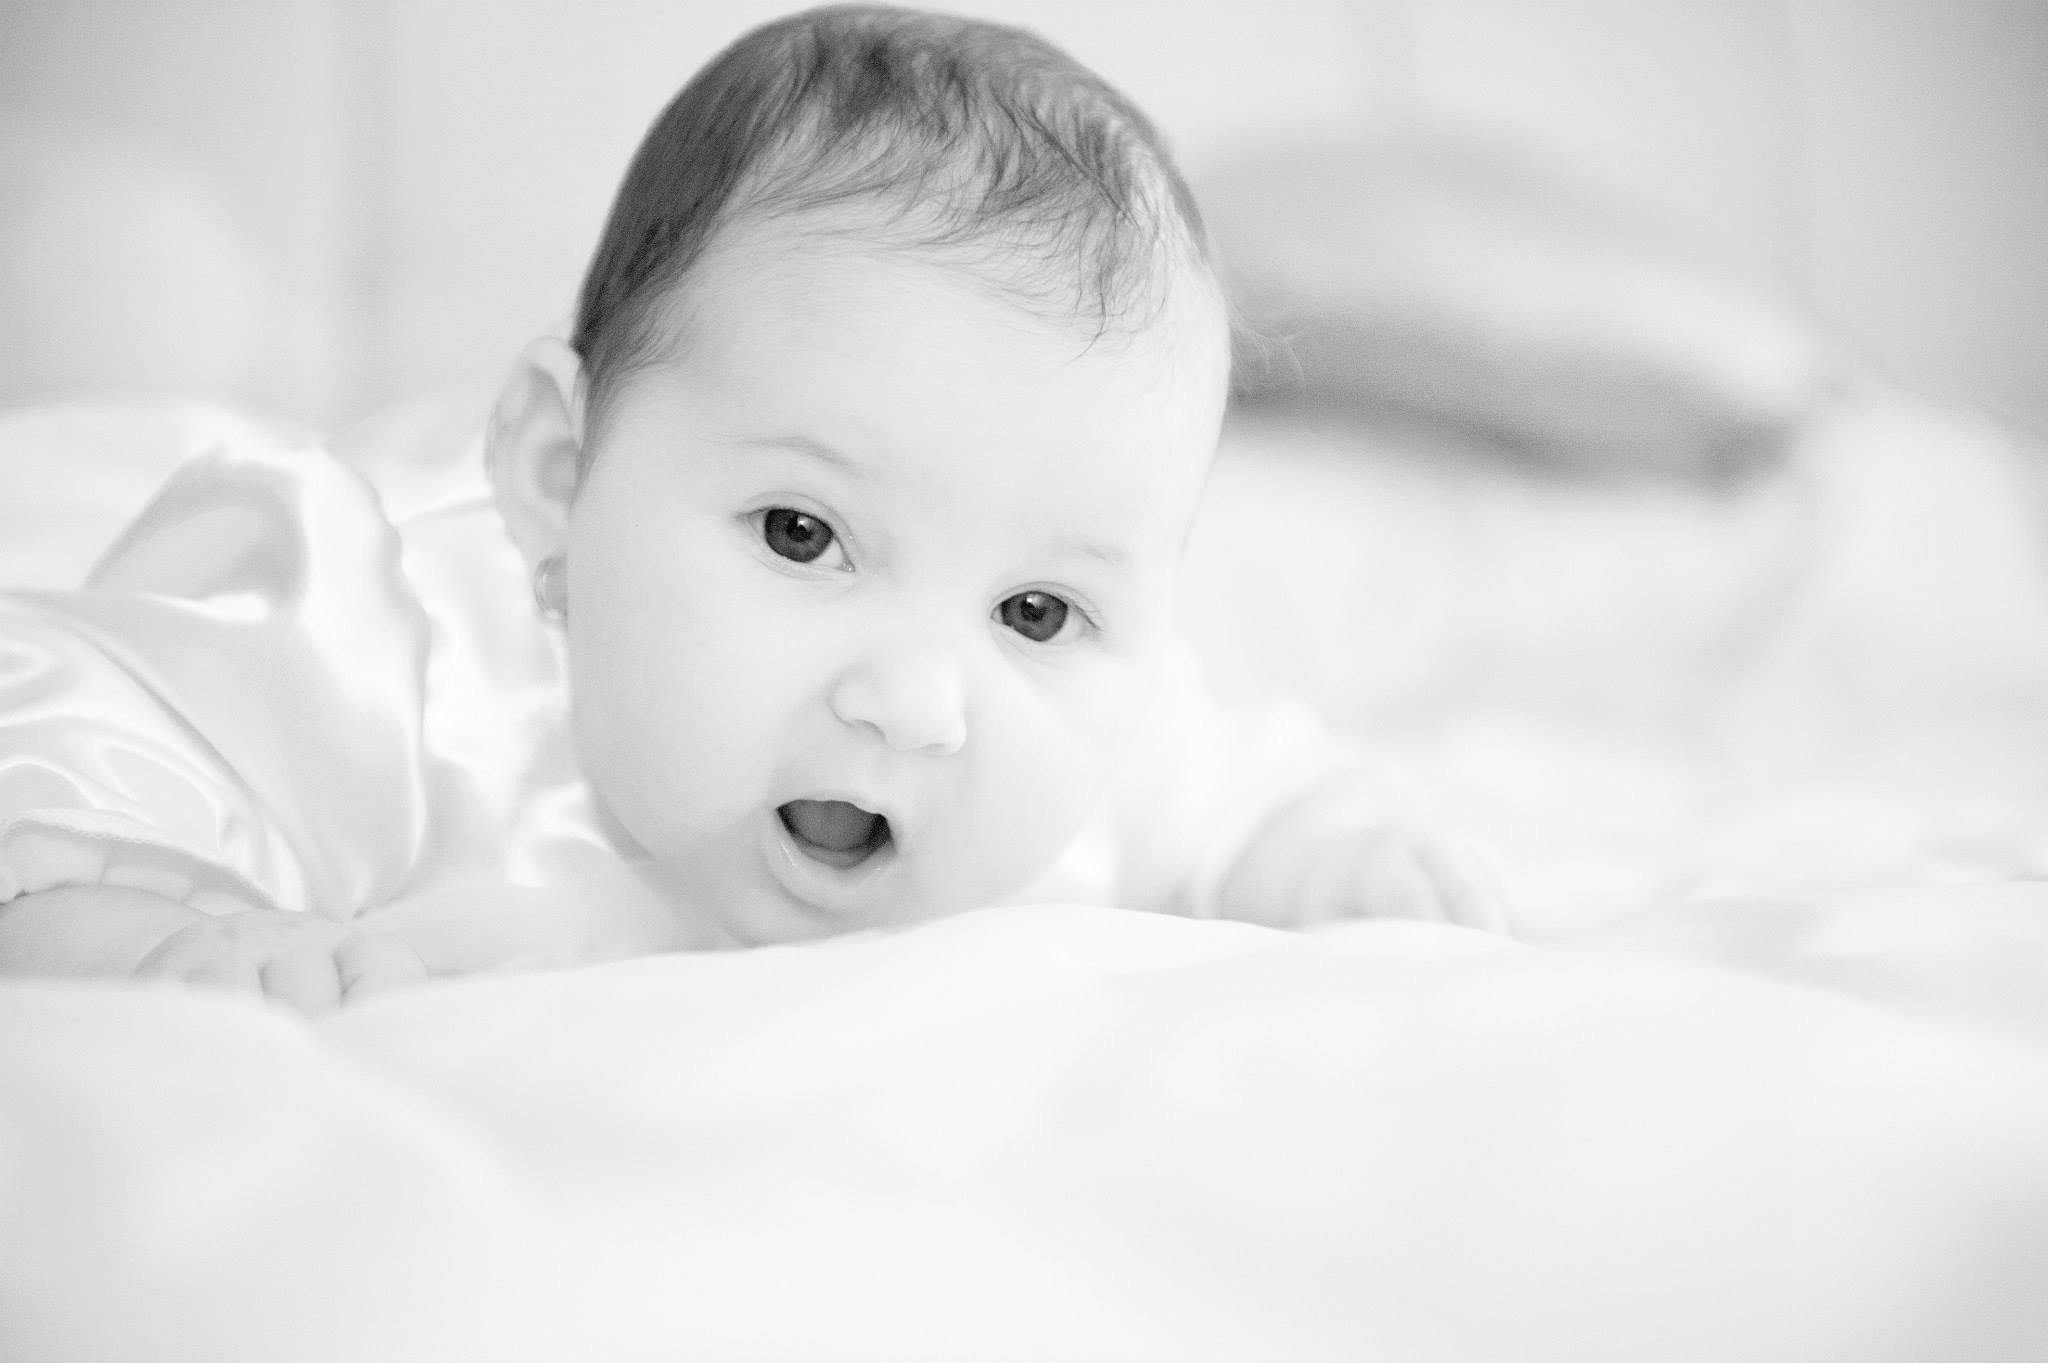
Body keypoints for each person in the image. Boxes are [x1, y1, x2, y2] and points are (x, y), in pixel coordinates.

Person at [0, 4, 1505, 1013]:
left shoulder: (1079, 744)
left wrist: (1334, 857)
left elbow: (1245, 792)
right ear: (558, 479)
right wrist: (163, 938)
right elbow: (73, 790)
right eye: (803, 534)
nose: (921, 704)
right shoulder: (387, 648)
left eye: (1035, 611)